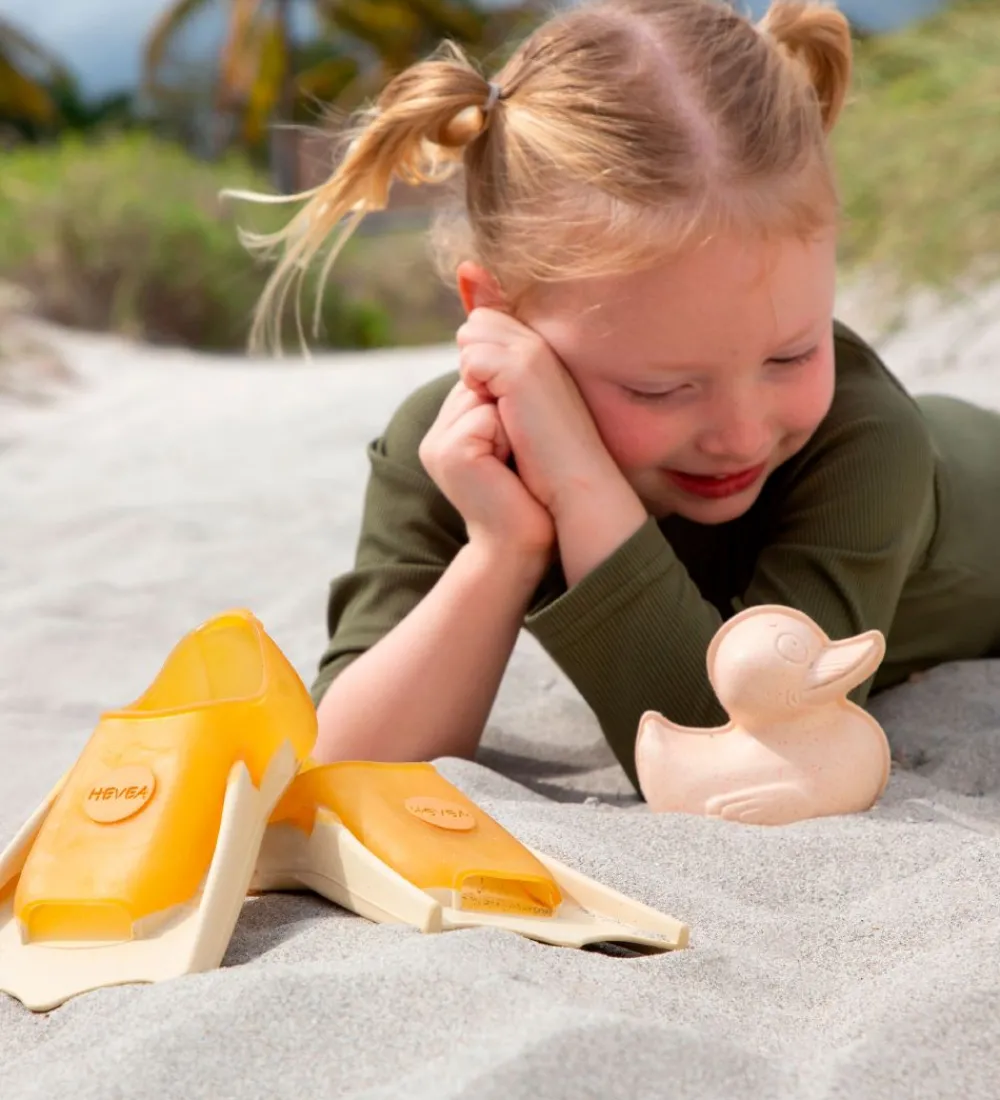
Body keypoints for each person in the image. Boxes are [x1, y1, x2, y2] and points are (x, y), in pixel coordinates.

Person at [232, 0, 1000, 792]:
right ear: (497, 315)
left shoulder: (865, 439)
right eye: (661, 388)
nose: (739, 434)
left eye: (792, 354)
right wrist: (502, 550)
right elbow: (339, 764)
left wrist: (583, 487)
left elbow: (741, 754)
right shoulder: (456, 446)